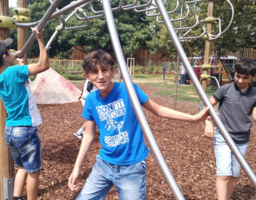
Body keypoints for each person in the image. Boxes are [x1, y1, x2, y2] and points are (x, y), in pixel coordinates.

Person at [68, 49, 210, 199]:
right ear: (87, 77)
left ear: (113, 71)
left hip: (132, 166)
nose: (101, 76)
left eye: (104, 70)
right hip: (104, 164)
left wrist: (193, 118)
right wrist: (77, 168)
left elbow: (158, 110)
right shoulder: (91, 99)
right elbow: (89, 134)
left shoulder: (127, 90)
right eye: (94, 72)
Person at [0, 28, 49, 200]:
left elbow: (19, 85)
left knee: (21, 167)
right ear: (5, 57)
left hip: (11, 130)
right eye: (8, 51)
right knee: (33, 171)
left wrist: (20, 62)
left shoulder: (3, 76)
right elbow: (44, 65)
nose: (11, 51)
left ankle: (14, 198)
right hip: (25, 129)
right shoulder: (13, 72)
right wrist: (40, 39)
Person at [204, 58, 256, 200]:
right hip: (223, 136)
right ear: (235, 73)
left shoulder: (254, 94)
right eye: (238, 76)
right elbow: (207, 105)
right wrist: (209, 122)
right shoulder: (225, 89)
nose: (240, 80)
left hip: (242, 139)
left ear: (253, 77)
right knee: (224, 174)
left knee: (234, 175)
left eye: (245, 78)